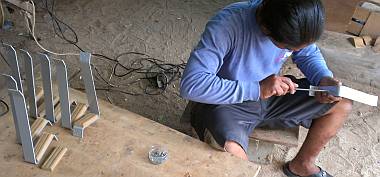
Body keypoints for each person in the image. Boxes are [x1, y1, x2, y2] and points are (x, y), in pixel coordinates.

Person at [179, 0, 353, 176]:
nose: (292, 51)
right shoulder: (228, 24)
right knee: (232, 152)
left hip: (271, 95)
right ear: (266, 29)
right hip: (227, 103)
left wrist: (322, 77)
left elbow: (308, 54)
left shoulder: (294, 23)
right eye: (288, 48)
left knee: (342, 103)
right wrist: (257, 89)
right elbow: (192, 84)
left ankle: (302, 164)